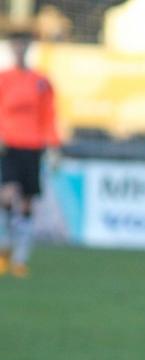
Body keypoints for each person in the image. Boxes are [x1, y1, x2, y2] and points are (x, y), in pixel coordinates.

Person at [0, 28, 61, 279]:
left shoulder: (41, 81)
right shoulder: (4, 78)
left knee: (26, 202)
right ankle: (3, 251)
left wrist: (54, 146)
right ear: (11, 47)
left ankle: (20, 259)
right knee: (6, 195)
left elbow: (49, 116)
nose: (20, 47)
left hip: (33, 146)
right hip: (8, 145)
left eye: (24, 43)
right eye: (16, 43)